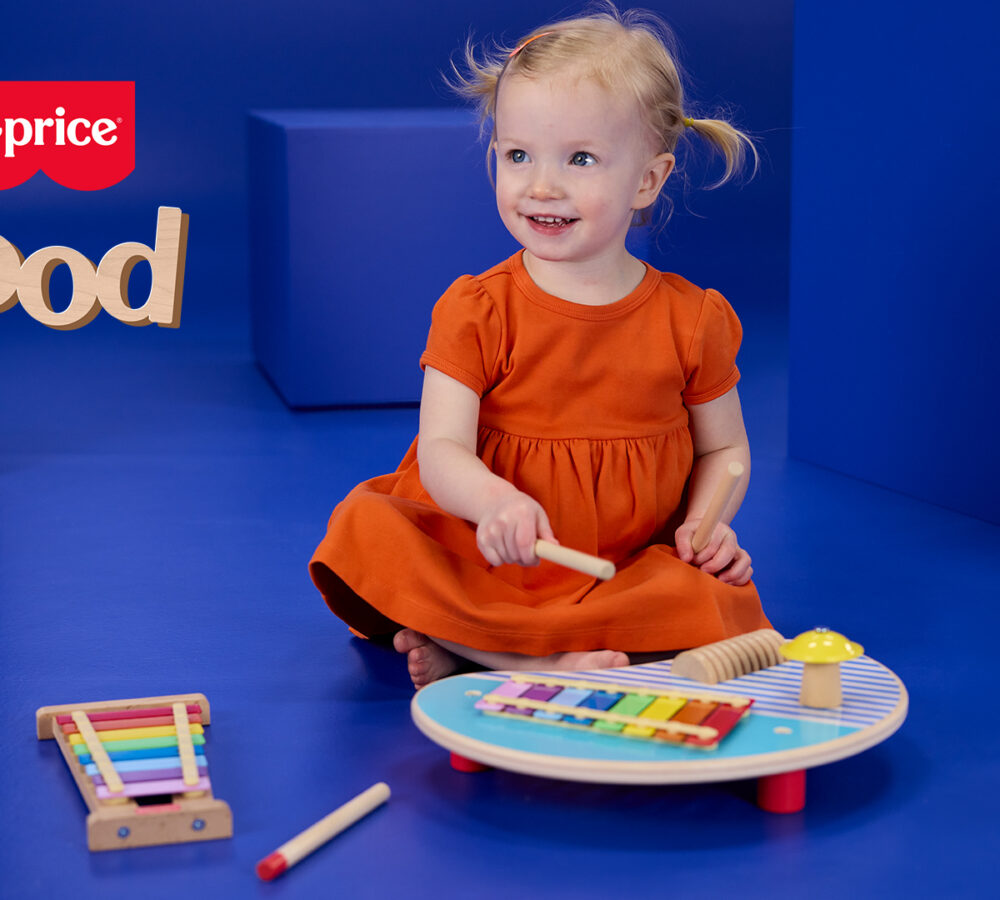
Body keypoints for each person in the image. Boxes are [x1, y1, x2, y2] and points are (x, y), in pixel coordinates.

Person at [310, 3, 771, 688]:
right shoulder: (477, 307)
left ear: (648, 179)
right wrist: (491, 502)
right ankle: (518, 653)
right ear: (495, 158)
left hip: (623, 562)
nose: (541, 185)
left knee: (713, 594)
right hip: (489, 551)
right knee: (364, 528)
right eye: (519, 155)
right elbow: (441, 451)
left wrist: (704, 531)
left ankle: (475, 650)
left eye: (580, 158)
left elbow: (725, 450)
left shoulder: (692, 318)